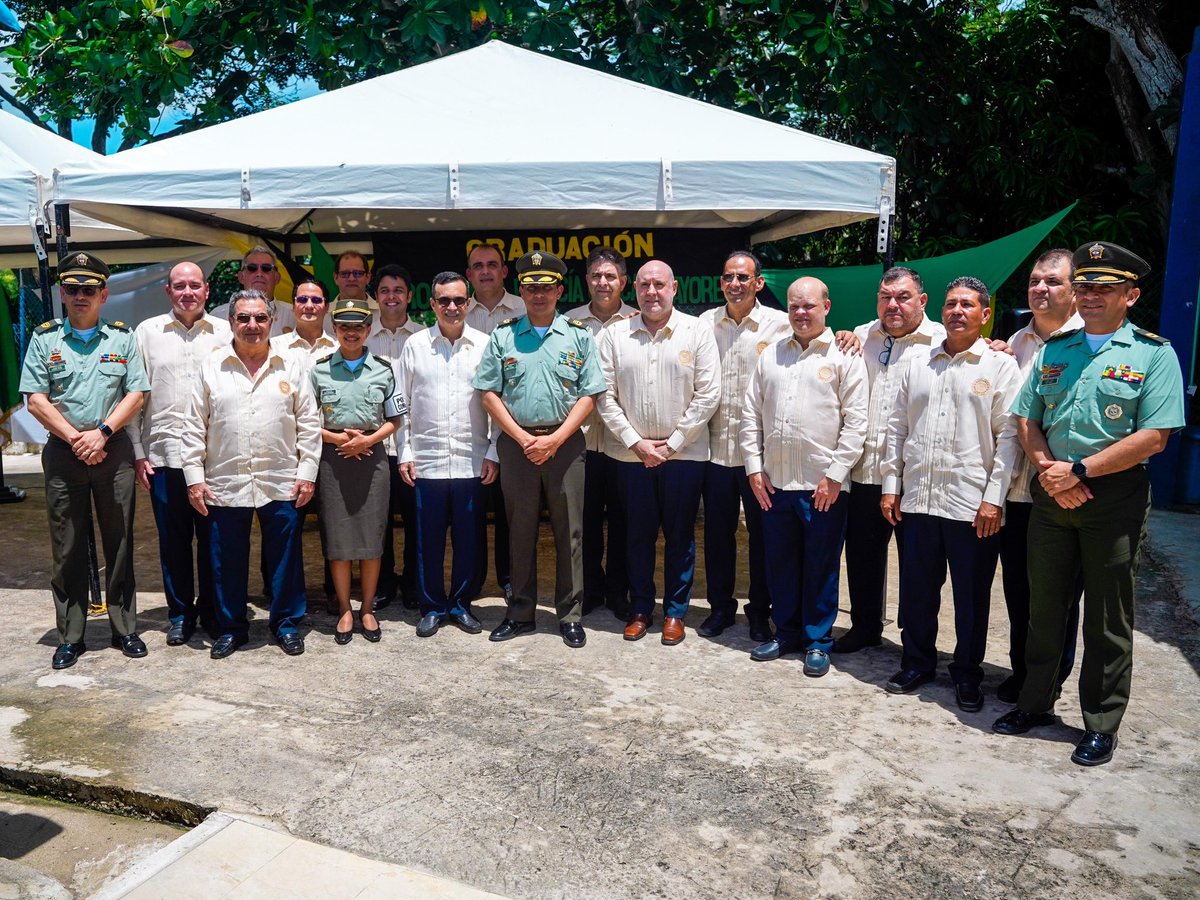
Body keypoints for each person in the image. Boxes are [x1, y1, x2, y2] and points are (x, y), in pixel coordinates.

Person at [993, 242, 1185, 766]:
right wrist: (1054, 473)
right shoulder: (1057, 348)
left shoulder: (1153, 353)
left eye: (1104, 288)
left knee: (1107, 616)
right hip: (1052, 492)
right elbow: (1027, 421)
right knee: (1044, 608)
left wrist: (1079, 471)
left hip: (1113, 498)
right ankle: (1034, 704)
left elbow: (1155, 436)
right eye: (1085, 287)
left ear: (1131, 295)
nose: (1091, 297)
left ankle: (1100, 722)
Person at [880, 277, 1022, 711]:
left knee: (972, 597)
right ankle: (917, 662)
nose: (958, 311)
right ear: (940, 310)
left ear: (985, 314)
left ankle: (966, 673)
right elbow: (896, 429)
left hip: (971, 505)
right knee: (918, 590)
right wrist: (891, 487)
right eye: (952, 303)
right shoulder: (918, 363)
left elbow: (1009, 438)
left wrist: (993, 498)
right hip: (919, 499)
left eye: (968, 305)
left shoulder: (999, 367)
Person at [19, 252, 150, 670]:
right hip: (64, 452)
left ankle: (124, 628)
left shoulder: (122, 338)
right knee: (68, 546)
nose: (80, 296)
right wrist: (76, 437)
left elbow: (137, 394)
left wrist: (103, 433)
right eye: (73, 289)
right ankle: (71, 636)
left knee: (121, 541)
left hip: (112, 450)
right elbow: (35, 399)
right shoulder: (45, 339)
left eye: (89, 289)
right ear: (62, 293)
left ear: (103, 295)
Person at [473, 250, 604, 647]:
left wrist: (554, 439)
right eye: (531, 287)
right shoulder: (503, 335)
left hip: (564, 445)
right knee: (520, 530)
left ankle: (570, 615)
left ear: (560, 290)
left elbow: (589, 395)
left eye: (546, 287)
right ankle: (520, 613)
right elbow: (489, 393)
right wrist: (523, 438)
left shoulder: (579, 336)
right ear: (521, 291)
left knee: (571, 533)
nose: (539, 295)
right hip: (518, 445)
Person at [181, 289, 321, 659]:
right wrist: (194, 478)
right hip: (225, 481)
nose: (252, 325)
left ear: (272, 321)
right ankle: (231, 626)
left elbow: (309, 423)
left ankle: (286, 623)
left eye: (260, 318)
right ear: (231, 322)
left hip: (282, 478)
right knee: (226, 558)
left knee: (285, 559)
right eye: (244, 318)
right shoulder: (212, 366)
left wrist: (307, 473)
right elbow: (194, 425)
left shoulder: (292, 366)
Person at [742, 277, 868, 674]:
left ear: (826, 307)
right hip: (775, 482)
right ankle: (787, 633)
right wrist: (754, 468)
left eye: (808, 306)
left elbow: (856, 422)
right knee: (780, 562)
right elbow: (750, 416)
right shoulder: (771, 355)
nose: (800, 313)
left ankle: (817, 640)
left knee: (821, 565)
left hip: (823, 486)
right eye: (794, 306)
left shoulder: (845, 356)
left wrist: (834, 475)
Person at [596, 259, 721, 646]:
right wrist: (636, 442)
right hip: (631, 456)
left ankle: (675, 612)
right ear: (634, 288)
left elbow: (708, 393)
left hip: (684, 456)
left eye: (659, 284)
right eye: (645, 285)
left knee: (681, 536)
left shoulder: (697, 331)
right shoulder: (615, 335)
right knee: (637, 535)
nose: (652, 292)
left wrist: (672, 443)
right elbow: (603, 395)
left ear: (674, 287)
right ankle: (640, 609)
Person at [836, 267, 946, 654]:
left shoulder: (942, 342)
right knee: (863, 558)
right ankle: (864, 627)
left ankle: (915, 646)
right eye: (886, 297)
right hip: (865, 470)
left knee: (917, 570)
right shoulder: (862, 335)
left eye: (902, 297)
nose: (893, 305)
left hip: (913, 480)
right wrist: (844, 334)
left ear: (922, 300)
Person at [998, 249, 1085, 703]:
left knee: (1058, 599)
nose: (1040, 289)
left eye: (1052, 281)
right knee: (1019, 592)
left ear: (1074, 290)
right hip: (1015, 490)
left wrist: (1056, 473)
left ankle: (1047, 683)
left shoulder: (1090, 342)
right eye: (1035, 280)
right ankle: (1022, 672)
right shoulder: (1015, 342)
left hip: (1062, 489)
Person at [130, 262, 230, 645]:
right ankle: (180, 614)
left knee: (213, 539)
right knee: (173, 541)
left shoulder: (225, 331)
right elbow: (136, 395)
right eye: (179, 286)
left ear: (207, 291)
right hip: (163, 456)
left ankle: (212, 610)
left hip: (214, 459)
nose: (187, 292)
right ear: (168, 291)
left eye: (194, 285)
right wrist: (139, 452)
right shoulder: (148, 333)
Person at [697, 251, 791, 642]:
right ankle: (721, 608)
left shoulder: (782, 325)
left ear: (758, 283)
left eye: (742, 277)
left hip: (761, 456)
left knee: (763, 537)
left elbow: (818, 344)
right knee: (717, 535)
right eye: (727, 277)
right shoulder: (704, 324)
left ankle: (759, 610)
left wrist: (847, 335)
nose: (734, 284)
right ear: (721, 283)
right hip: (715, 451)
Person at [397, 272, 497, 637]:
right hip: (427, 461)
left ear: (467, 303)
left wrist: (495, 452)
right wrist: (404, 451)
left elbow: (497, 404)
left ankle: (461, 603)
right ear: (432, 304)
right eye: (444, 301)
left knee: (470, 538)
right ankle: (432, 606)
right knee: (427, 540)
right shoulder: (415, 346)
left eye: (458, 300)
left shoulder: (485, 344)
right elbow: (402, 405)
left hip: (472, 460)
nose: (451, 307)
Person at [310, 297, 403, 644]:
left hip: (372, 457)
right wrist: (335, 438)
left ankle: (367, 608)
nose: (351, 333)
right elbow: (303, 418)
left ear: (368, 330)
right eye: (344, 327)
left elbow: (395, 418)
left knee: (371, 537)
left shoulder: (383, 369)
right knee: (338, 539)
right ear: (334, 330)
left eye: (358, 327)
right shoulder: (319, 370)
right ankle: (345, 609)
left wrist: (367, 441)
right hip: (334, 460)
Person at [564, 247, 638, 621]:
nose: (603, 283)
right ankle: (589, 589)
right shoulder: (569, 323)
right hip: (580, 438)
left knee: (624, 520)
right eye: (596, 276)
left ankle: (618, 592)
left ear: (623, 282)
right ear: (587, 281)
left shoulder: (639, 321)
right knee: (585, 520)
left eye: (610, 276)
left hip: (622, 441)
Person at [465, 242, 524, 605]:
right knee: (471, 517)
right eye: (477, 266)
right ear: (469, 274)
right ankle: (469, 584)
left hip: (510, 431)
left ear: (504, 271)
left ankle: (509, 579)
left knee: (509, 515)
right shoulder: (455, 311)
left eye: (492, 265)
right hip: (470, 434)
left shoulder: (525, 308)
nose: (485, 271)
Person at [365, 263, 424, 612]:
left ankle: (415, 585)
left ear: (409, 296)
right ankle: (383, 584)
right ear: (376, 297)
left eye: (398, 290)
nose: (392, 297)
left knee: (416, 521)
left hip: (413, 446)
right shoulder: (362, 337)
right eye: (385, 290)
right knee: (379, 522)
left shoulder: (422, 338)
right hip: (375, 445)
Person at [209, 246, 294, 335]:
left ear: (277, 278)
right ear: (241, 277)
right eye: (252, 268)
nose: (259, 273)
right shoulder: (218, 317)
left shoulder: (293, 316)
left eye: (266, 268)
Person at [270, 278, 336, 363]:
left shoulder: (339, 348)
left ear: (327, 307)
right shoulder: (274, 347)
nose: (309, 306)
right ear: (293, 306)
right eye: (302, 300)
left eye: (316, 300)